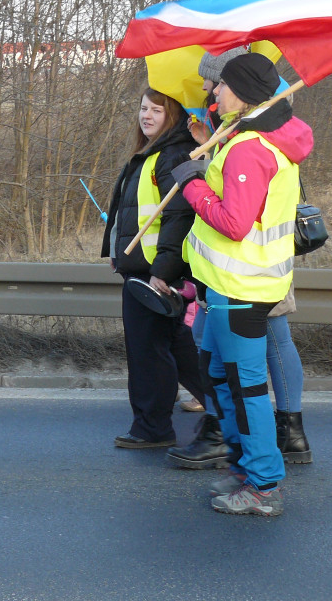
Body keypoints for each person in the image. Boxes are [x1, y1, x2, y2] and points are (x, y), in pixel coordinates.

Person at [171, 52, 313, 517]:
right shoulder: (249, 136)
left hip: (243, 288)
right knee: (217, 375)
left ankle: (263, 485)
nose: (215, 91)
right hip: (226, 285)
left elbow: (234, 223)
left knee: (245, 387)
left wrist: (193, 184)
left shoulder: (251, 147)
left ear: (244, 92)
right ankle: (246, 467)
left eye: (222, 85)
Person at [101, 88, 205, 449]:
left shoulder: (171, 154)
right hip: (143, 268)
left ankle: (153, 428)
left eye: (156, 110)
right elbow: (129, 213)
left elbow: (179, 218)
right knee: (177, 346)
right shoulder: (149, 154)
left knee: (148, 352)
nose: (146, 115)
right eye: (143, 108)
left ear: (172, 115)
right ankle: (228, 411)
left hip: (153, 274)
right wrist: (116, 250)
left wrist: (162, 271)